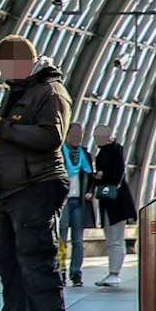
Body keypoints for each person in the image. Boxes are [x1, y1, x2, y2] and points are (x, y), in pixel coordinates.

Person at [0, 34, 72, 311]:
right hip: (12, 191)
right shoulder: (22, 92)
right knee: (10, 262)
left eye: (6, 65)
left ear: (22, 62)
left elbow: (51, 137)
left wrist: (3, 128)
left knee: (37, 260)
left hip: (37, 186)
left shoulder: (50, 92)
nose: (3, 72)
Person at [91, 123, 139, 286]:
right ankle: (112, 272)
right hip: (108, 201)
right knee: (111, 238)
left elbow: (116, 172)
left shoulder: (114, 150)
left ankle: (115, 273)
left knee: (116, 238)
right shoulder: (103, 152)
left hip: (116, 201)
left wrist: (102, 175)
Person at [59, 123, 94, 287]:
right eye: (73, 134)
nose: (76, 137)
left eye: (79, 134)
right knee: (61, 239)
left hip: (79, 202)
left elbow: (91, 176)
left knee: (78, 241)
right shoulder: (59, 154)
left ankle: (76, 273)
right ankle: (60, 271)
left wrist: (90, 191)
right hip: (63, 202)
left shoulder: (85, 155)